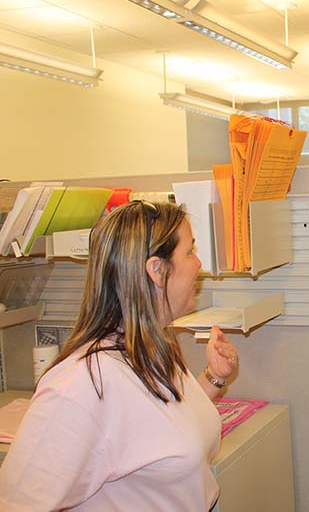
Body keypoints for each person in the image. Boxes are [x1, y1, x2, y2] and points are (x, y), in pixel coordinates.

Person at [0, 200, 239, 511]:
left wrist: (214, 377)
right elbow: (17, 503)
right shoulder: (81, 384)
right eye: (190, 252)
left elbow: (159, 425)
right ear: (156, 269)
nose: (198, 265)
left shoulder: (151, 347)